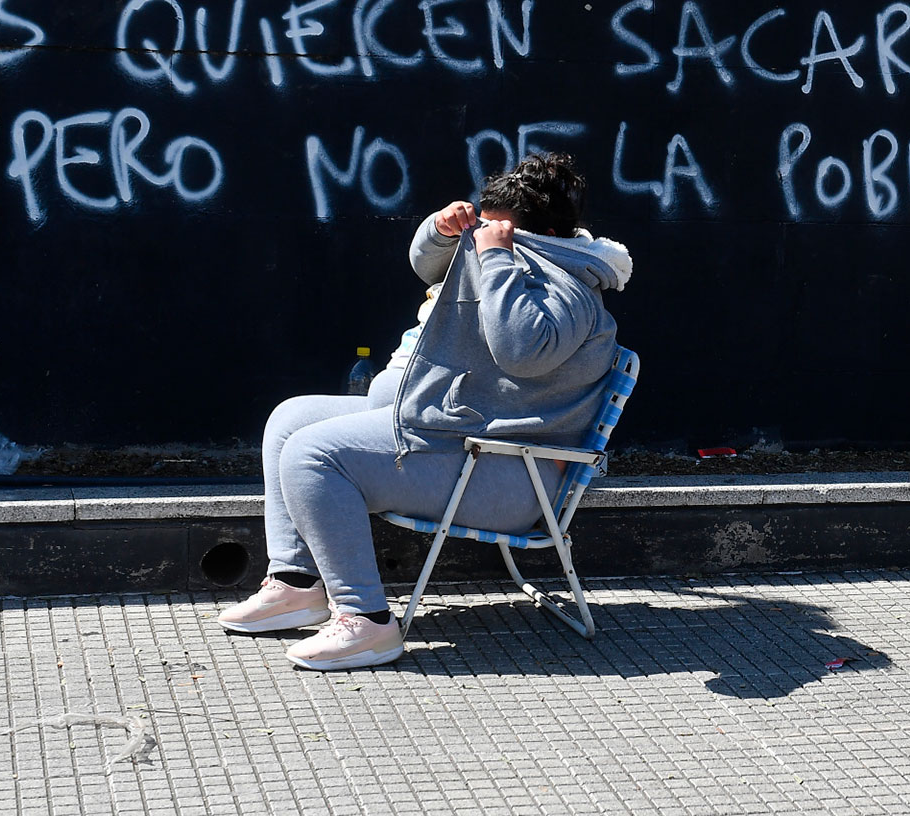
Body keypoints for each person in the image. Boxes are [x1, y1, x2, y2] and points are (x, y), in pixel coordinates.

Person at [217, 153, 633, 670]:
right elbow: (428, 264)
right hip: (461, 442)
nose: (480, 234)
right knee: (290, 420)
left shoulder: (569, 291)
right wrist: (441, 230)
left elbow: (521, 351)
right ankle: (296, 582)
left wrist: (498, 258)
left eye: (493, 227)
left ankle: (366, 621)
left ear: (535, 232)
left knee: (313, 454)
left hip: (510, 475)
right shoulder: (515, 256)